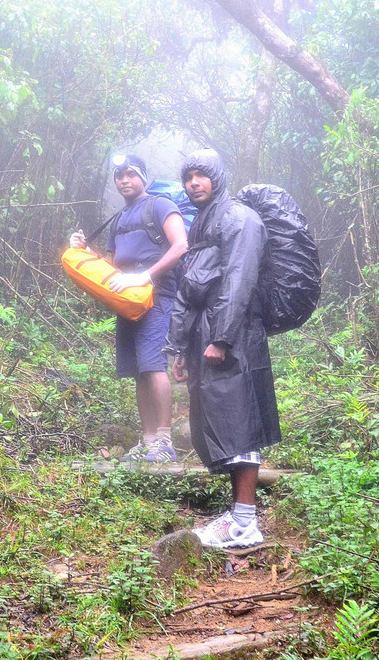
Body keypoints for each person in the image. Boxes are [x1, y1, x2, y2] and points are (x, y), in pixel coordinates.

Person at [164, 149, 280, 549]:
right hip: (206, 338)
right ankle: (238, 515)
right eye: (188, 177)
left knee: (241, 422)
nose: (193, 183)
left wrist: (222, 338)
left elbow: (239, 280)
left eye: (201, 175)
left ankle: (245, 522)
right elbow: (189, 287)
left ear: (218, 177)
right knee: (223, 423)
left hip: (234, 340)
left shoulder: (238, 219)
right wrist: (179, 347)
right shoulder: (202, 223)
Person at [71, 153, 187, 462]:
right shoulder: (118, 219)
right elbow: (110, 266)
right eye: (119, 175)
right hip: (127, 303)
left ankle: (164, 442)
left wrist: (145, 275)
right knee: (138, 371)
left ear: (144, 177)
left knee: (153, 366)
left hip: (157, 296)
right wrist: (82, 252)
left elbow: (181, 245)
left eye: (131, 173)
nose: (124, 179)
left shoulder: (159, 205)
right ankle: (148, 441)